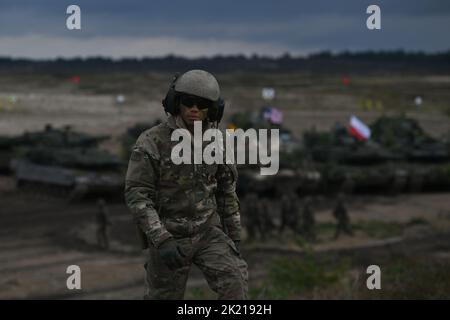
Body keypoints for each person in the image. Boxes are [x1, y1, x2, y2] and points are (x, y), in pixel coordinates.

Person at [125, 70, 248, 300]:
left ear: (213, 109)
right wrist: (161, 239)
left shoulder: (217, 143)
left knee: (236, 284)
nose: (194, 109)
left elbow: (226, 192)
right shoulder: (152, 142)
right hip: (168, 235)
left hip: (207, 233)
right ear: (175, 103)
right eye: (188, 102)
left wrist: (234, 236)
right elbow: (138, 195)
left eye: (202, 105)